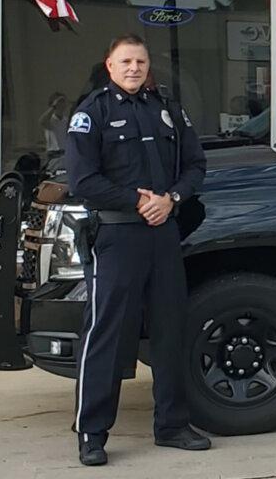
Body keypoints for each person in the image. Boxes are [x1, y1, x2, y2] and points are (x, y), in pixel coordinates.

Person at [65, 33, 210, 466]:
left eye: (141, 62)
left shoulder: (165, 110)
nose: (134, 68)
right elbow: (82, 181)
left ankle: (172, 425)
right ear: (109, 65)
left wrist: (173, 200)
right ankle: (92, 433)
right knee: (107, 334)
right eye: (125, 61)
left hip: (163, 234)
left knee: (170, 330)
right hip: (116, 237)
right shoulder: (92, 113)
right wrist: (137, 201)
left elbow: (195, 166)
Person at [39, 92, 69, 174]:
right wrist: (54, 106)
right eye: (60, 102)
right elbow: (42, 121)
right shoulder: (50, 120)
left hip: (64, 154)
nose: (62, 105)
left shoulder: (66, 121)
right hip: (53, 155)